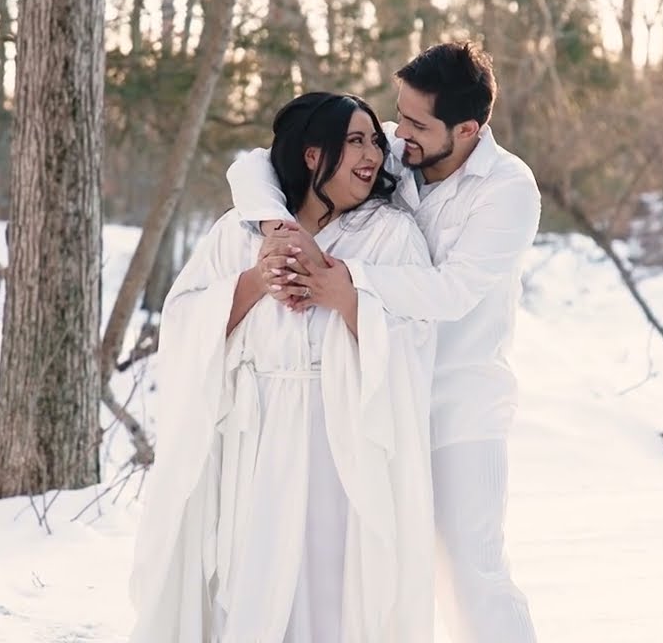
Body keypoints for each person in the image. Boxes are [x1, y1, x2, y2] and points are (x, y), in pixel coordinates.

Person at [226, 42, 541, 643]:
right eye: (400, 115)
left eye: (418, 123)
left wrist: (343, 280)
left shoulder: (508, 189)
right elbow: (253, 165)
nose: (399, 134)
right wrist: (278, 227)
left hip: (455, 409)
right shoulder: (399, 151)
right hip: (377, 401)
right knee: (378, 574)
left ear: (468, 130)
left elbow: (452, 291)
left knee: (469, 573)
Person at [128, 92, 438, 643]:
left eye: (374, 140)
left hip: (339, 438)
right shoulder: (242, 231)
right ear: (313, 155)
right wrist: (256, 280)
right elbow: (181, 325)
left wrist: (344, 295)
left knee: (328, 580)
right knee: (253, 568)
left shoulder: (390, 234)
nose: (373, 154)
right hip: (254, 438)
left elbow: (417, 339)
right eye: (356, 141)